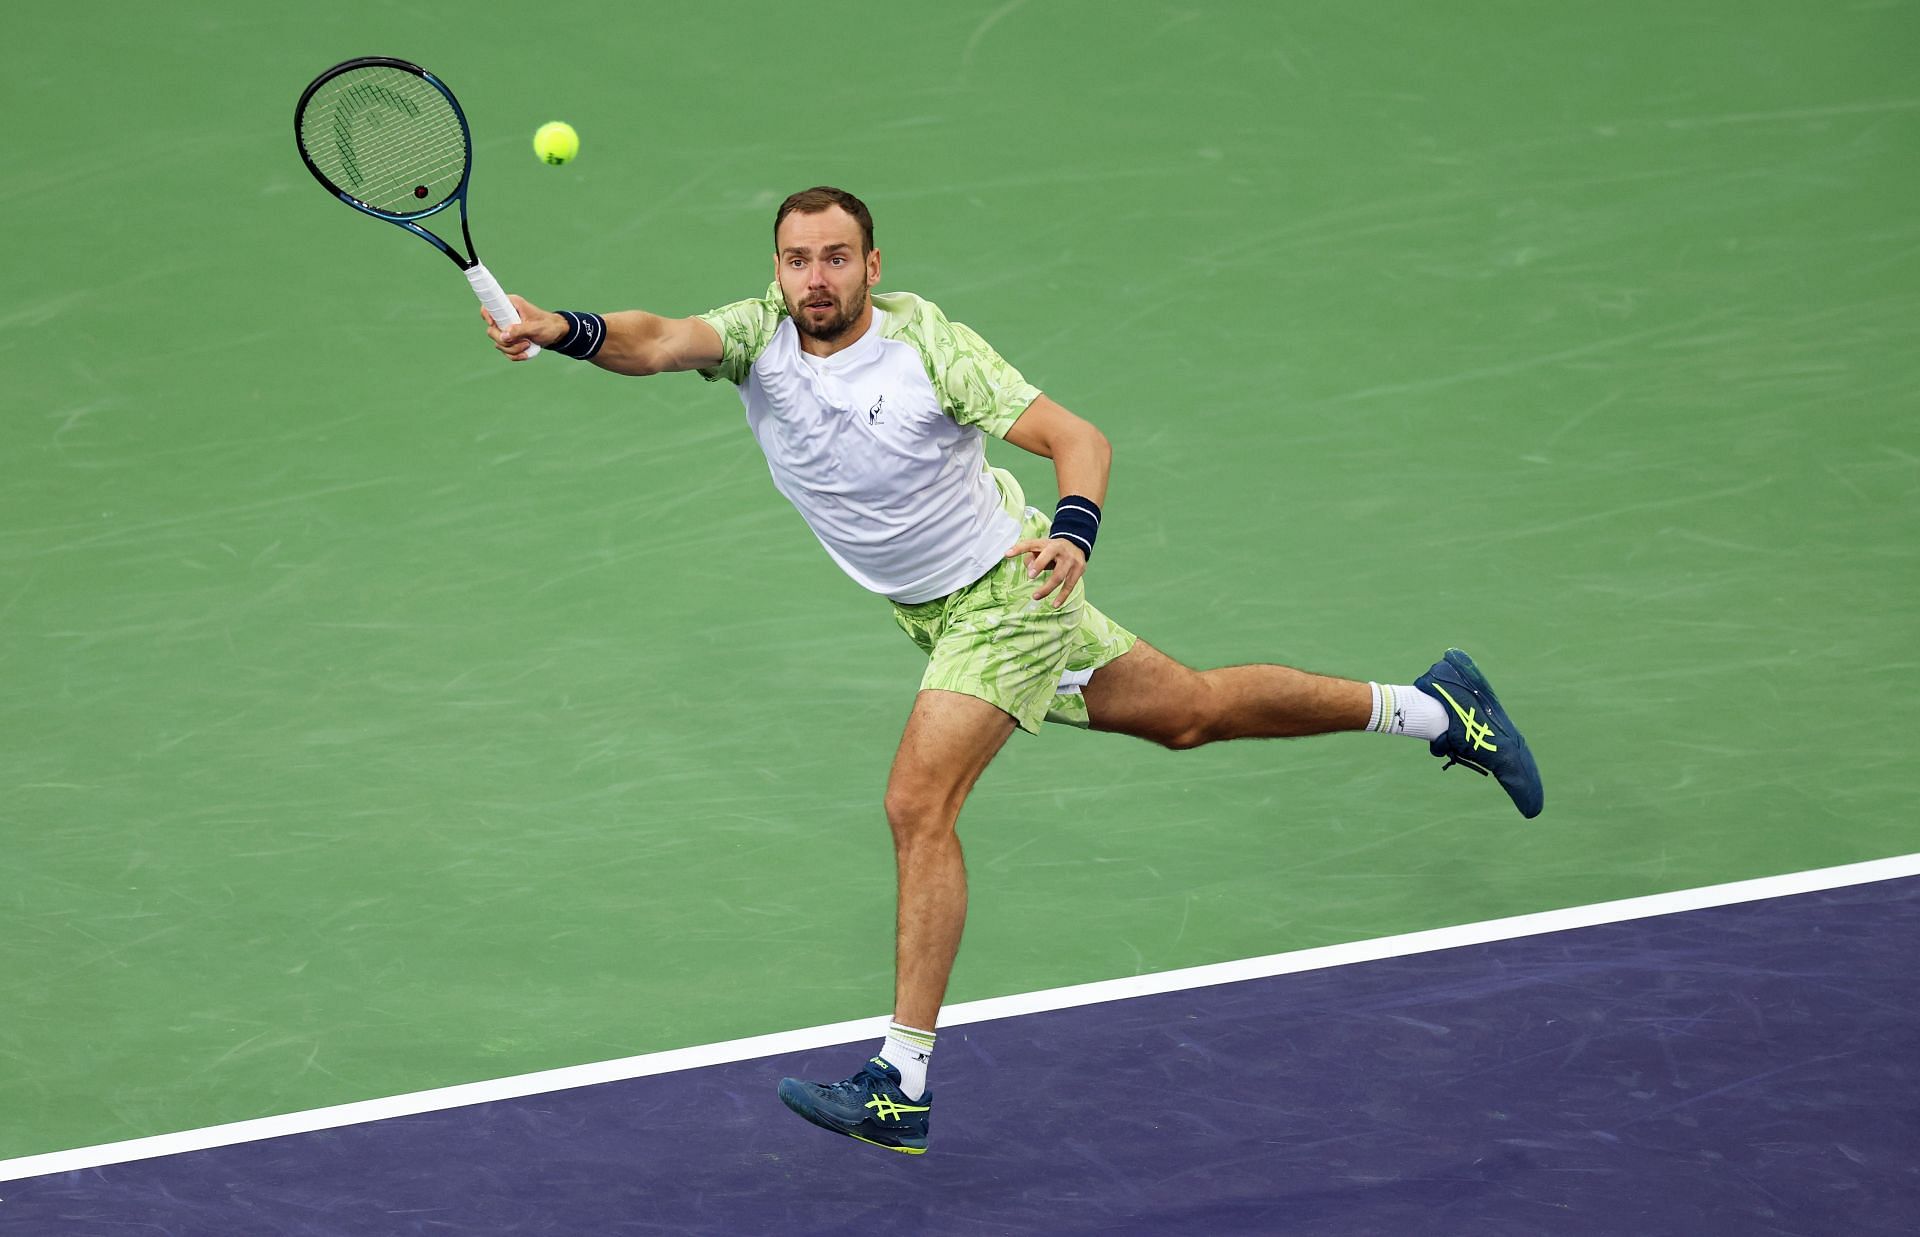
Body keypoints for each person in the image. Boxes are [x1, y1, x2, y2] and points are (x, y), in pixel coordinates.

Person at [482, 186, 1543, 1155]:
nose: (815, 278)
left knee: (916, 802)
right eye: (797, 259)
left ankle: (901, 1080)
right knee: (1191, 713)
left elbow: (1076, 436)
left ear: (870, 262)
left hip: (1009, 592)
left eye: (836, 258)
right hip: (935, 614)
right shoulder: (758, 335)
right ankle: (1435, 707)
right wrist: (559, 329)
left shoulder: (926, 346)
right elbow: (657, 338)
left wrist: (1075, 533)